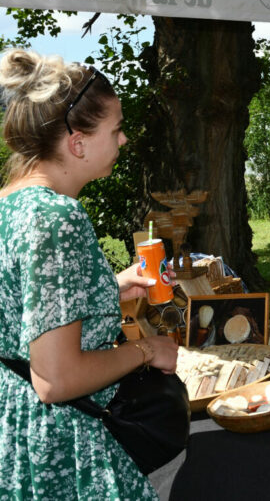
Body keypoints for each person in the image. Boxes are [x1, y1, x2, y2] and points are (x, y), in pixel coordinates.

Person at [0, 50, 179, 500]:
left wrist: (109, 288)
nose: (122, 141)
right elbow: (56, 378)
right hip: (61, 445)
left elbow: (26, 311)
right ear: (77, 142)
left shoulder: (11, 203)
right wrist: (146, 349)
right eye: (115, 130)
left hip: (15, 432)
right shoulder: (56, 217)